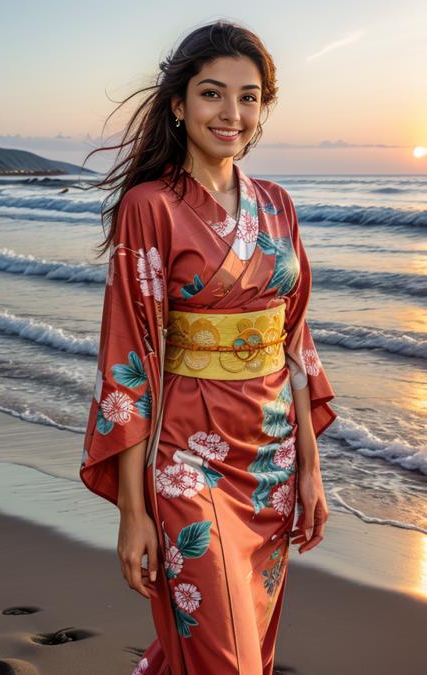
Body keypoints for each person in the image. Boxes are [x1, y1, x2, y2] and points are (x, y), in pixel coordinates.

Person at [79, 19, 337, 675]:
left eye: (249, 97)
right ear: (179, 102)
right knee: (227, 658)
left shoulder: (278, 205)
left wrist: (310, 467)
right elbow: (129, 360)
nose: (233, 113)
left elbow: (295, 343)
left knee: (228, 645)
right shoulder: (151, 206)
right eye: (213, 93)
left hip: (271, 460)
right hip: (187, 460)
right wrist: (134, 512)